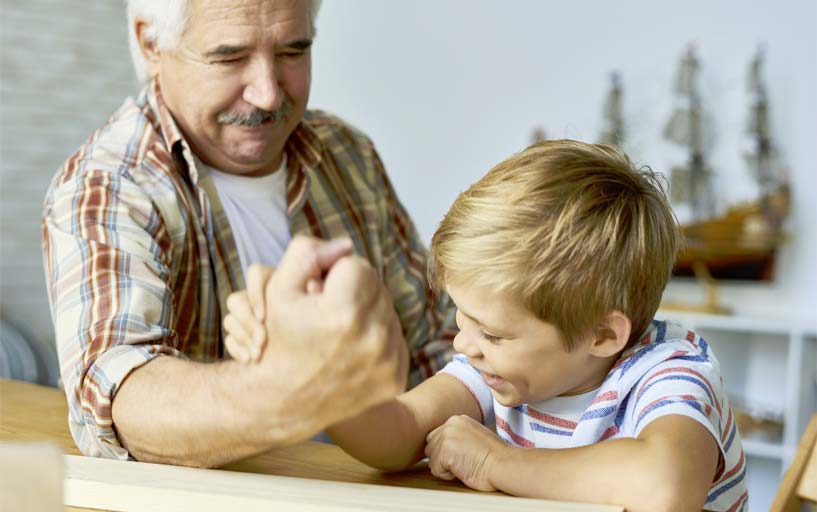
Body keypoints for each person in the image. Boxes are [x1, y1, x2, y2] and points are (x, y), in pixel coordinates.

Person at [226, 140, 748, 511]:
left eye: (493, 333)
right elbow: (397, 434)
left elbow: (665, 489)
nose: (464, 344)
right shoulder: (500, 370)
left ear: (603, 336)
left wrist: (496, 464)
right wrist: (322, 379)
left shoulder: (672, 370)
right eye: (463, 317)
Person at [41, 0, 455, 468]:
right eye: (229, 57)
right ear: (150, 42)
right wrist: (295, 388)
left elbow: (443, 349)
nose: (268, 95)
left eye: (293, 52)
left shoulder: (348, 154)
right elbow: (120, 398)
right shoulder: (106, 186)